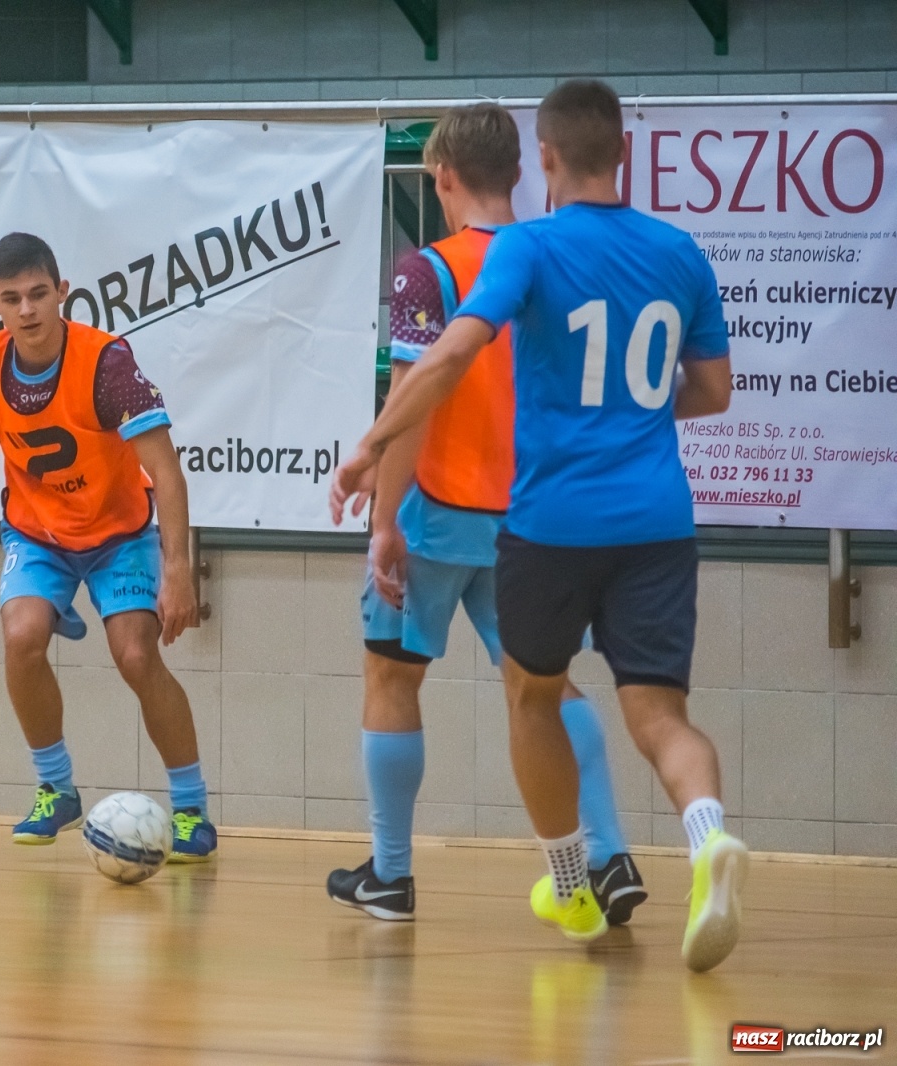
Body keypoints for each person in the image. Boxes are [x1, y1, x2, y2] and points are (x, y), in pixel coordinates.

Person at [330, 81, 747, 972]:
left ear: (545, 159)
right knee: (641, 710)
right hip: (652, 520)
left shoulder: (500, 255)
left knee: (491, 689)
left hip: (519, 517)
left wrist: (373, 459)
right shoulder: (678, 251)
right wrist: (631, 415)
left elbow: (441, 365)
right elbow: (712, 391)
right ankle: (679, 840)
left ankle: (481, 876)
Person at [325, 104, 645, 926]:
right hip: (533, 520)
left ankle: (391, 878)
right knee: (546, 687)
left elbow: (414, 399)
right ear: (522, 171)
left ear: (442, 178)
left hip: (438, 509)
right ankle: (608, 855)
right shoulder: (553, 261)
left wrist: (384, 522)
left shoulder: (428, 269)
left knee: (391, 678)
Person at [0, 232, 217, 862]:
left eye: (39, 294)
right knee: (21, 638)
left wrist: (178, 569)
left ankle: (190, 810)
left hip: (119, 533)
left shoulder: (107, 363)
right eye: (12, 298)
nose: (27, 310)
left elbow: (166, 470)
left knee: (136, 656)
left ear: (63, 293)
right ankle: (56, 789)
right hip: (38, 533)